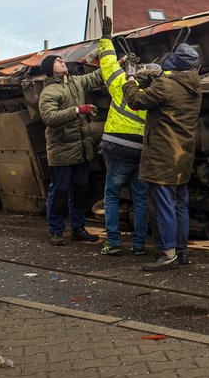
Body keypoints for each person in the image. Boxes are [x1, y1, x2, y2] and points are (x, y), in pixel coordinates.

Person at [122, 42, 202, 271]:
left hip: (162, 155)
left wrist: (130, 79)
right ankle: (181, 250)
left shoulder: (166, 85)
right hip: (182, 155)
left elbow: (136, 101)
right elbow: (163, 94)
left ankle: (167, 254)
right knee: (179, 204)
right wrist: (154, 78)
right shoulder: (194, 86)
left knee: (163, 205)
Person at [38, 53, 105, 246]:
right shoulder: (49, 92)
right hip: (62, 150)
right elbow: (49, 117)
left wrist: (116, 62)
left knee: (80, 191)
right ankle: (56, 231)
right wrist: (78, 110)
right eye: (57, 61)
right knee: (59, 193)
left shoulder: (75, 82)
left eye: (62, 60)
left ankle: (78, 229)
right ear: (50, 69)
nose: (62, 62)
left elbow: (95, 77)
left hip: (80, 149)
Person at [96, 15, 149, 256]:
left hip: (117, 148)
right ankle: (139, 246)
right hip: (140, 150)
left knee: (111, 195)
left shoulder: (119, 83)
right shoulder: (154, 89)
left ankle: (114, 243)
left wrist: (106, 39)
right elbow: (173, 74)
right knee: (140, 198)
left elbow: (107, 64)